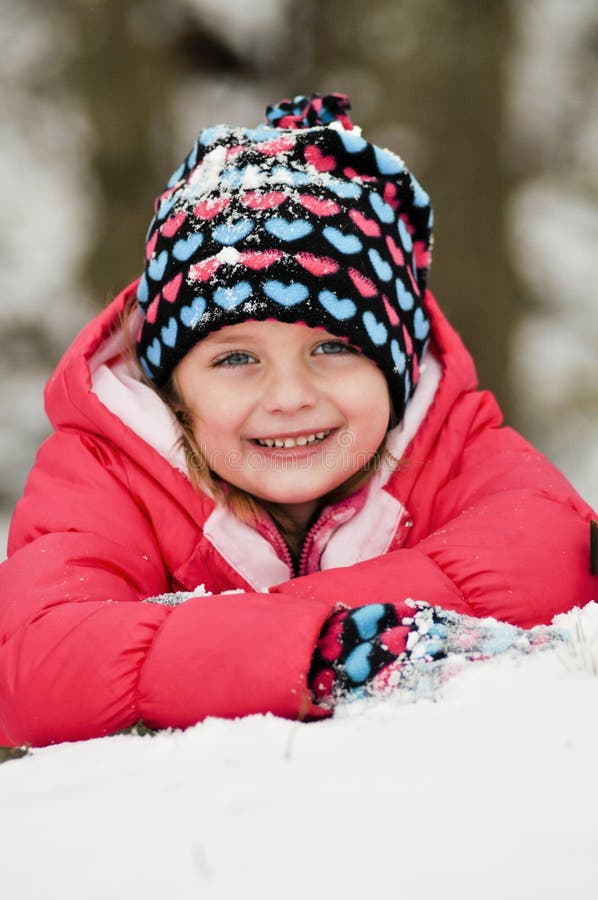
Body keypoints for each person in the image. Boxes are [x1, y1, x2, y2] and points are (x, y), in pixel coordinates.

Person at [0, 93, 595, 749]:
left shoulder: (450, 441)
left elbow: (550, 560)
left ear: (395, 370)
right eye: (235, 358)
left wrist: (226, 634)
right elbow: (38, 661)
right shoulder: (107, 468)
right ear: (174, 390)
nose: (288, 396)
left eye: (333, 348)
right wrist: (320, 648)